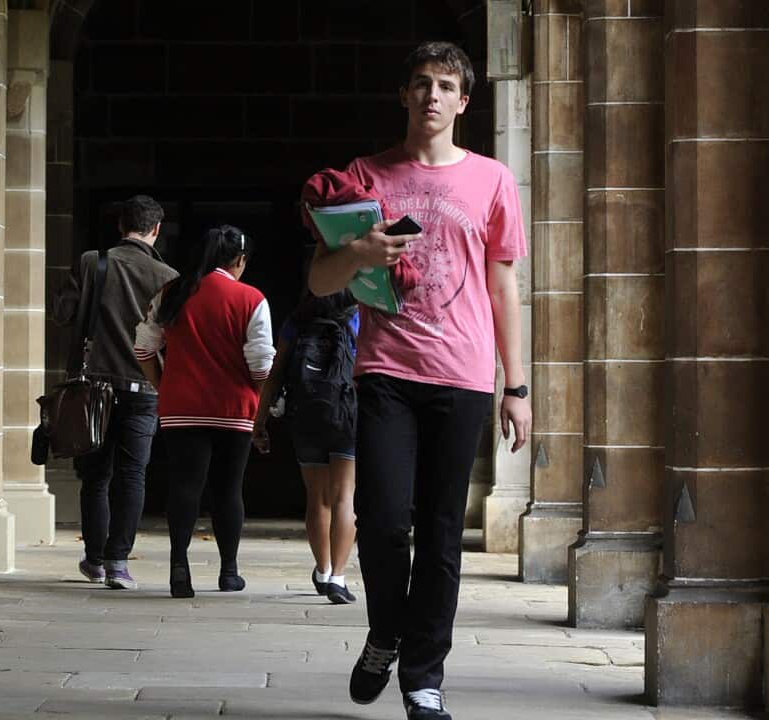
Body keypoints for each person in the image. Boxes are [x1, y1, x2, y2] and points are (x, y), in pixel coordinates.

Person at [306, 42, 532, 720]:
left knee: (439, 534)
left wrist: (515, 388)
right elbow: (319, 282)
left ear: (463, 101)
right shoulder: (366, 176)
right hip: (385, 371)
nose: (431, 95)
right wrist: (360, 252)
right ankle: (386, 631)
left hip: (462, 376)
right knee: (380, 519)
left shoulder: (492, 180)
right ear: (404, 96)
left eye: (444, 86)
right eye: (419, 84)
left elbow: (502, 284)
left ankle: (423, 676)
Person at [135, 225, 275, 599]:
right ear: (239, 261)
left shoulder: (173, 293)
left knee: (184, 486)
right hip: (234, 409)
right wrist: (257, 405)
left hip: (181, 407)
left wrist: (164, 386)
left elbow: (143, 349)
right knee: (228, 490)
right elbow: (262, 365)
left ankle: (179, 568)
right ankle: (229, 572)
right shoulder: (251, 298)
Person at [52, 195, 179, 590]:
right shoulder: (168, 277)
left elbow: (63, 313)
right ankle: (119, 561)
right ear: (156, 229)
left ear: (120, 226)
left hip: (94, 386)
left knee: (95, 476)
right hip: (145, 388)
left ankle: (94, 558)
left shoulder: (93, 262)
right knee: (132, 475)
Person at [253, 289, 359, 605]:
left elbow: (275, 373)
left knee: (317, 497)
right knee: (344, 497)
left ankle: (323, 571)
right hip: (346, 415)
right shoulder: (361, 318)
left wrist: (259, 421)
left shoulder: (297, 320)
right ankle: (339, 577)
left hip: (306, 415)